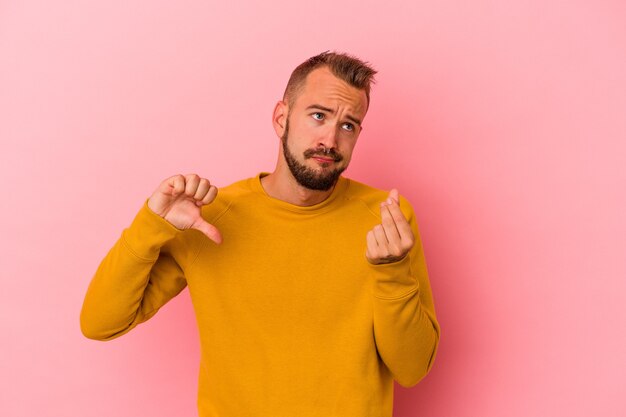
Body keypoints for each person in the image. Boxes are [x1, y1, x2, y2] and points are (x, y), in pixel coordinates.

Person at [80, 50, 441, 417]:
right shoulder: (210, 217)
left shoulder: (386, 219)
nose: (330, 140)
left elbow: (412, 370)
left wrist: (392, 273)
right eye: (318, 116)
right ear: (281, 118)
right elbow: (100, 323)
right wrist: (152, 224)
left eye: (348, 125)